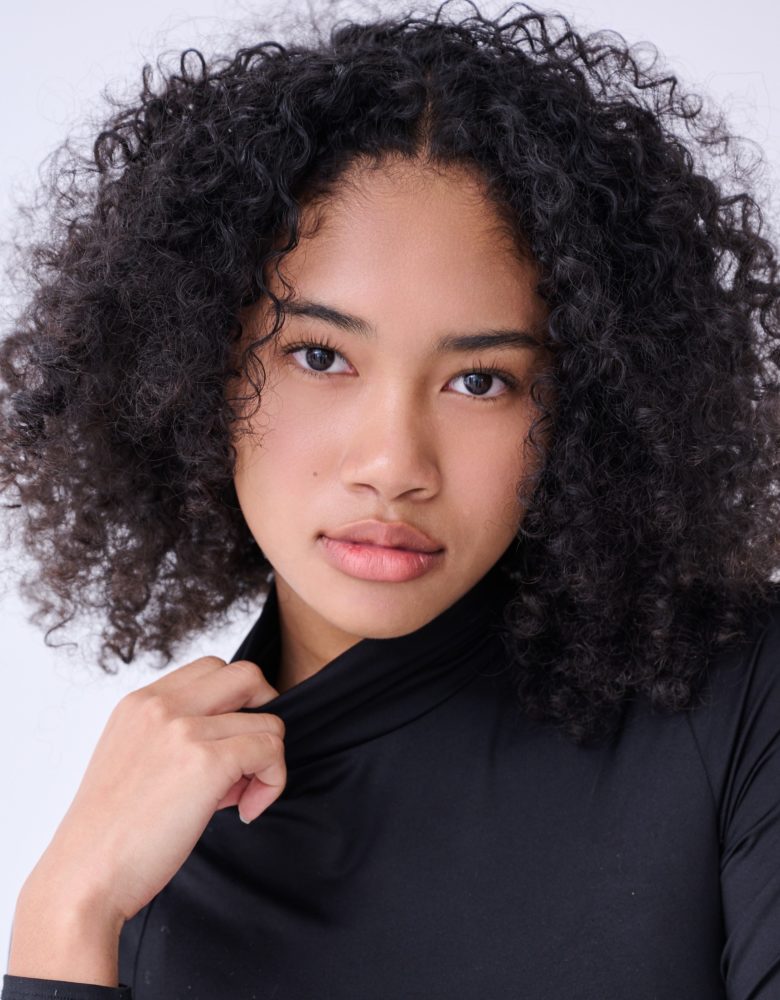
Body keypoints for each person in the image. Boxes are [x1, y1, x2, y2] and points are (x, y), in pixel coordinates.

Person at [1, 0, 779, 996]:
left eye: (481, 380)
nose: (393, 462)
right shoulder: (152, 851)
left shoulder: (740, 701)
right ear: (195, 370)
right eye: (321, 356)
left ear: (585, 409)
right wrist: (65, 911)